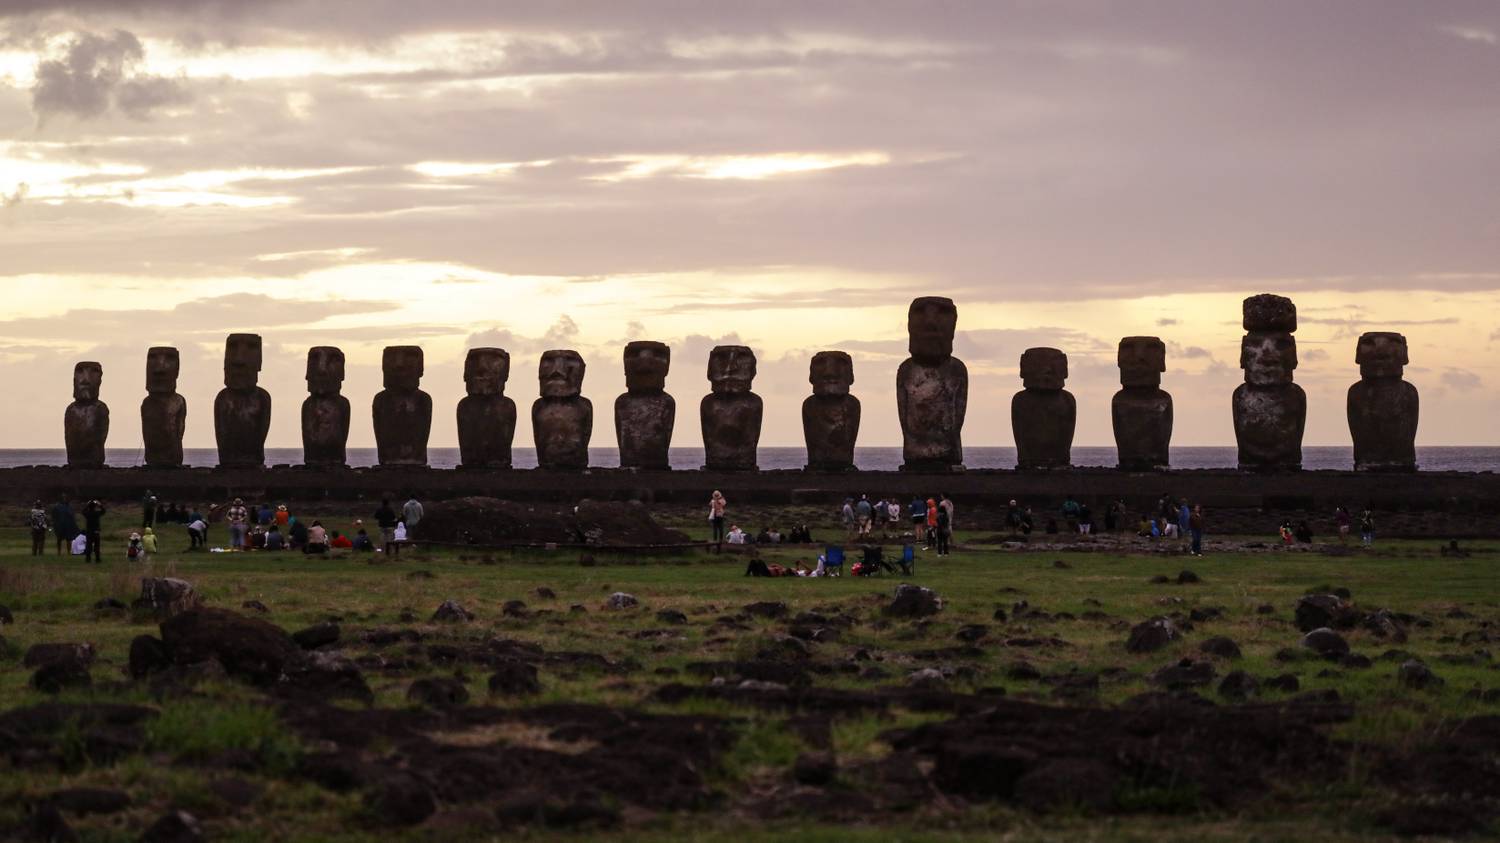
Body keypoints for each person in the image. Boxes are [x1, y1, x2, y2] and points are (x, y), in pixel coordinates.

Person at [81, 498, 106, 564]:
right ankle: (97, 559)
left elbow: (83, 511)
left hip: (89, 532)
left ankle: (88, 559)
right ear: (95, 507)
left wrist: (87, 505)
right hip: (96, 532)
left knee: (88, 546)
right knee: (97, 546)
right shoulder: (97, 513)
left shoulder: (87, 514)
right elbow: (103, 511)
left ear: (89, 507)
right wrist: (99, 504)